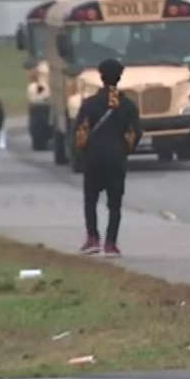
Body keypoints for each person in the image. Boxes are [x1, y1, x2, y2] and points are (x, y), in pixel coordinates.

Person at [75, 59, 142, 257]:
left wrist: (82, 152)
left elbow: (80, 132)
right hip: (116, 158)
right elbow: (135, 133)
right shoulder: (128, 105)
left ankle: (93, 238)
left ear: (101, 76)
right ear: (120, 77)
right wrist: (124, 150)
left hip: (94, 158)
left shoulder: (89, 104)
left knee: (90, 200)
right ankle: (111, 243)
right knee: (115, 203)